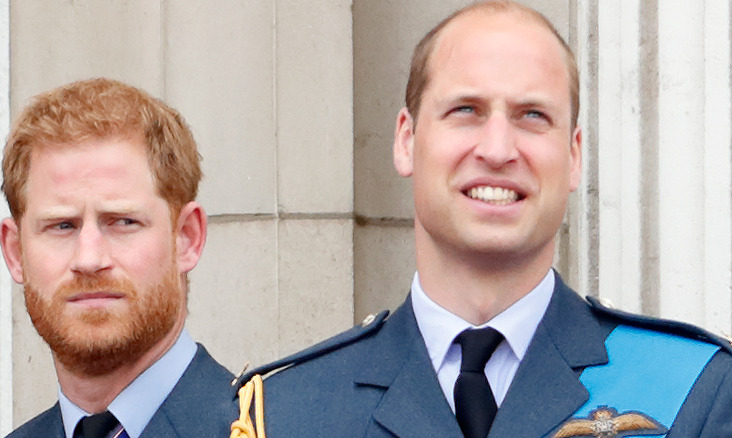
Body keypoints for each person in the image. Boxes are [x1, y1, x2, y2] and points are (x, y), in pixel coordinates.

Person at [234, 1, 732, 437]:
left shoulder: (692, 390)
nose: (497, 150)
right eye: (466, 110)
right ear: (407, 141)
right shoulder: (289, 412)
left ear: (575, 155)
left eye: (532, 115)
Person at [0, 78, 235, 438]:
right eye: (62, 226)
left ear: (187, 238)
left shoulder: (275, 429)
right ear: (15, 252)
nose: (89, 259)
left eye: (123, 222)